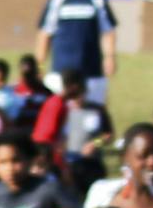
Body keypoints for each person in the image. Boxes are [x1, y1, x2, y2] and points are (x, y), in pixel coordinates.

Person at [35, 0, 116, 103]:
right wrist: (39, 65)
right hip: (61, 72)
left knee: (94, 111)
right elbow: (45, 34)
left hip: (91, 71)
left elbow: (108, 31)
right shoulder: (57, 0)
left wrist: (109, 57)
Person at [31, 69, 112, 198]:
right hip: (66, 165)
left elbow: (108, 135)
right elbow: (47, 138)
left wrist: (95, 143)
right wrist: (61, 165)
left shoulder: (97, 110)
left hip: (90, 164)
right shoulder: (60, 106)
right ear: (75, 87)